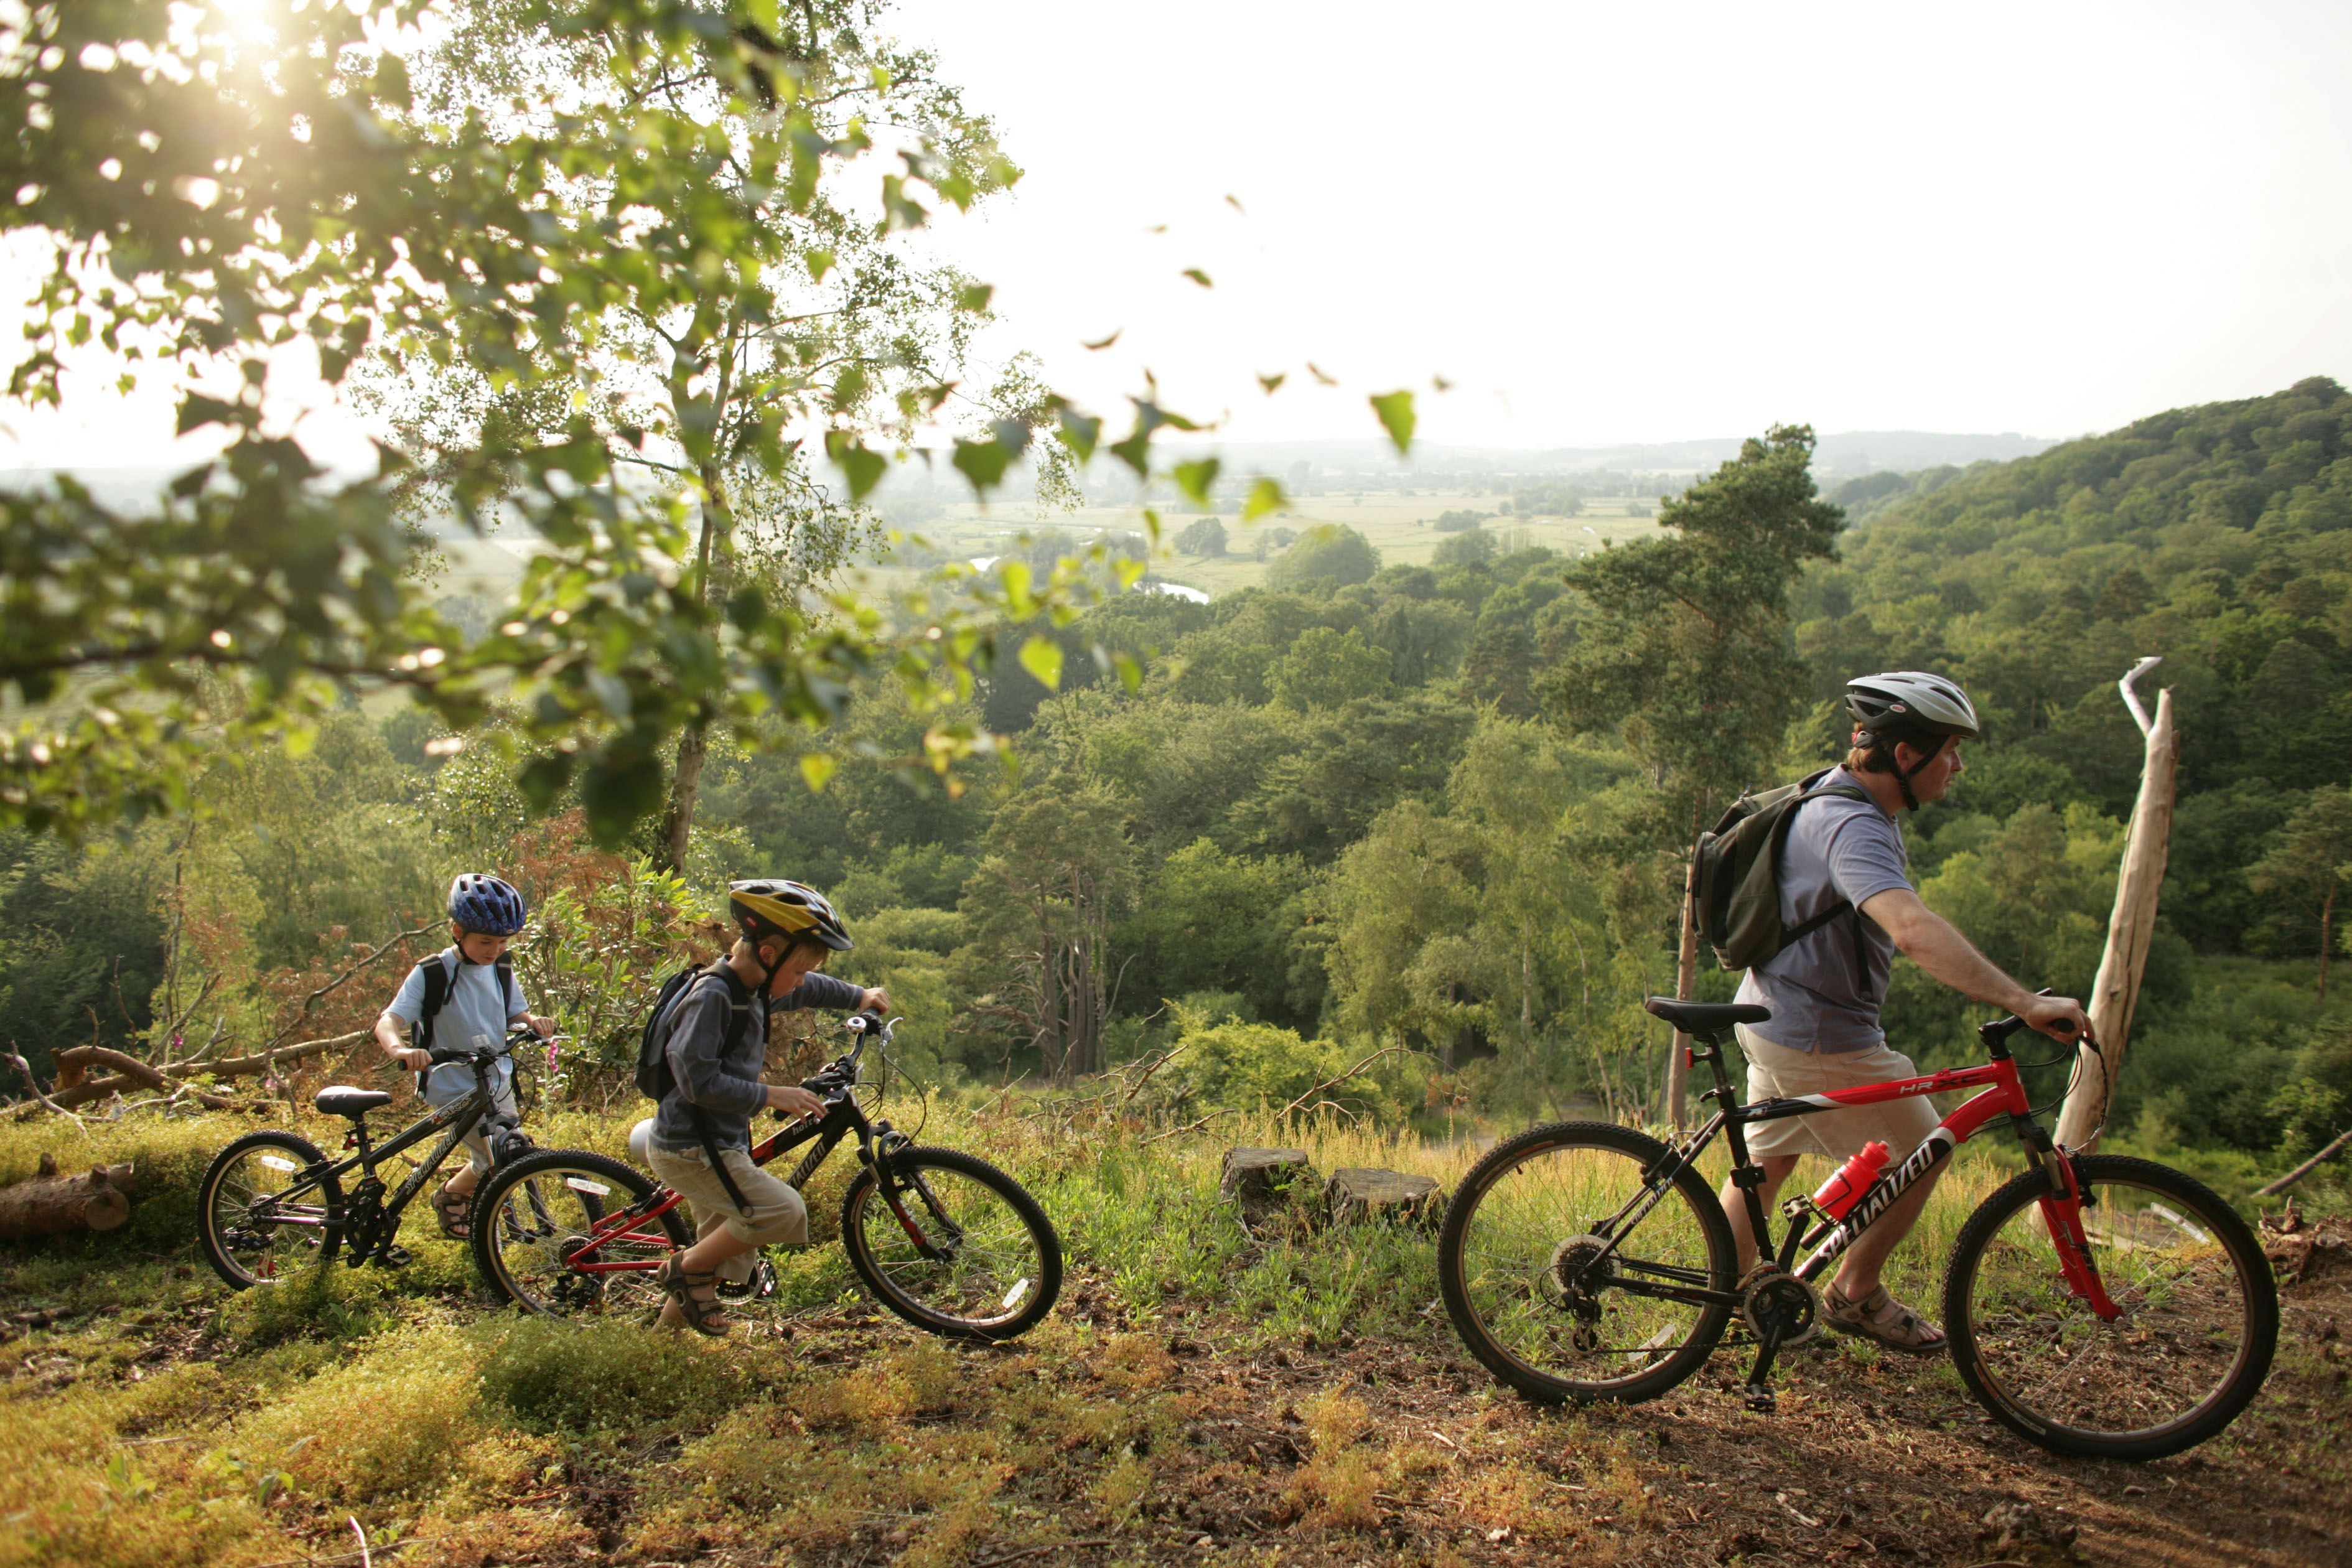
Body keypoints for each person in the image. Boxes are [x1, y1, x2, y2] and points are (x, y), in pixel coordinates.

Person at [1725, 671, 2091, 1353]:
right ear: (1904, 754)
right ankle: (1854, 1295)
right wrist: (2022, 1000)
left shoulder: (1830, 797)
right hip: (1816, 1034)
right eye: (1949, 749)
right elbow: (1913, 931)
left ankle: (1727, 1300)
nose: (1957, 764)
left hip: (1770, 1013)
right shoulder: (1853, 825)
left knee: (1764, 1167)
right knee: (1919, 1151)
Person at [648, 878, 887, 1336]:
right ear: (770, 954)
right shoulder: (713, 996)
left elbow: (807, 989)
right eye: (798, 969)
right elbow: (694, 1079)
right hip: (691, 1147)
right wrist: (772, 1094)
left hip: (719, 1142)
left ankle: (661, 1347)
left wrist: (858, 996)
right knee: (782, 1212)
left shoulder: (753, 985)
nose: (800, 981)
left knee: (722, 1257)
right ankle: (683, 1267)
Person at [374, 874, 556, 1241]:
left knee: (505, 1148)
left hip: (494, 1079)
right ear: (457, 931)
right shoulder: (432, 973)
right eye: (486, 941)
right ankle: (495, 1237)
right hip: (450, 1083)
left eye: (503, 942)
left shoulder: (501, 968)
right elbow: (388, 1021)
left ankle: (452, 1195)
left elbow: (513, 1012)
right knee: (496, 1157)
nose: (495, 950)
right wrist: (401, 1050)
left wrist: (532, 1021)